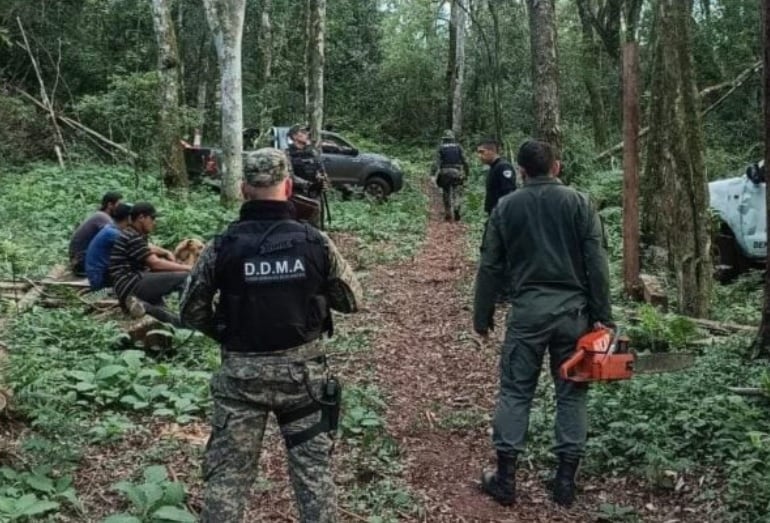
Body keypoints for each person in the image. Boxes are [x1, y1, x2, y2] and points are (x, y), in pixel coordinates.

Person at [180, 148, 362, 523]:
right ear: (289, 185)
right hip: (303, 378)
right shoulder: (315, 242)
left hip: (241, 380)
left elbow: (190, 309)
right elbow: (351, 299)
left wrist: (226, 334)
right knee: (314, 477)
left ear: (245, 189)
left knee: (228, 480)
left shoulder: (222, 246)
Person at [473, 140, 611, 508]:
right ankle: (564, 483)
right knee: (572, 392)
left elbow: (490, 265)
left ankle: (505, 480)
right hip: (574, 315)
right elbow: (596, 262)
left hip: (528, 314)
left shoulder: (506, 207)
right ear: (557, 167)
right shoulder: (580, 203)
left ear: (521, 171)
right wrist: (604, 316)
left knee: (516, 391)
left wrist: (482, 315)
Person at [109, 202, 190, 326]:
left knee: (166, 314)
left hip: (126, 286)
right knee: (186, 277)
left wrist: (168, 257)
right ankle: (191, 317)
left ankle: (143, 306)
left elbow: (152, 258)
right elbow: (155, 264)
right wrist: (189, 268)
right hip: (130, 283)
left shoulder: (132, 234)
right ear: (141, 218)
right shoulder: (132, 236)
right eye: (152, 218)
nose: (154, 222)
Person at [68, 191, 123, 275]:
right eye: (119, 205)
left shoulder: (100, 215)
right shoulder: (102, 217)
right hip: (81, 261)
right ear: (110, 205)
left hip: (80, 259)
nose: (121, 209)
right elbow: (119, 239)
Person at [286, 124, 329, 228]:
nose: (307, 134)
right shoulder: (287, 154)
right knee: (298, 226)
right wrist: (308, 185)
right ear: (295, 136)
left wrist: (323, 181)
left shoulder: (313, 152)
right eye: (303, 132)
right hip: (298, 196)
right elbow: (289, 176)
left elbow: (322, 170)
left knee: (316, 226)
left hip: (315, 195)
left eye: (307, 132)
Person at [84, 202, 132, 291]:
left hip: (98, 276)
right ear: (129, 218)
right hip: (100, 281)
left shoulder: (111, 227)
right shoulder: (113, 233)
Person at [433, 130, 469, 221]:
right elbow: (465, 161)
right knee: (457, 192)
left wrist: (433, 174)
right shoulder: (458, 147)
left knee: (446, 192)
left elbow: (436, 162)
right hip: (457, 172)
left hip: (445, 173)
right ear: (453, 139)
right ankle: (456, 207)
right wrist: (467, 172)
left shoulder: (441, 148)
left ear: (444, 139)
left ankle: (448, 212)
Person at [476, 139, 516, 214]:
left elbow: (509, 192)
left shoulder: (503, 167)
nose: (479, 156)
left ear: (492, 151)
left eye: (482, 152)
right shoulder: (494, 167)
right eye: (478, 153)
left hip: (502, 214)